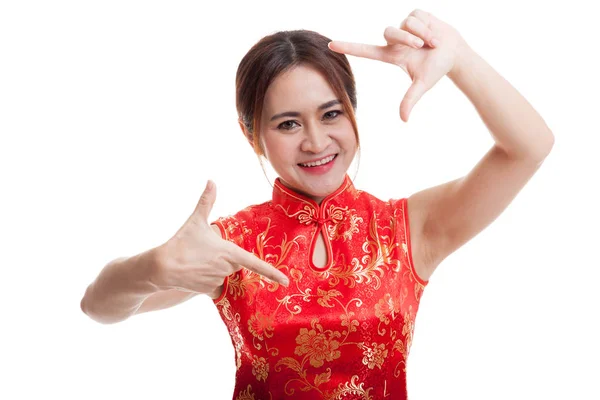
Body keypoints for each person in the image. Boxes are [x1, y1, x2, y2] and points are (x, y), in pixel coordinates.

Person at [80, 9, 554, 400]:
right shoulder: (230, 246)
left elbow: (528, 147)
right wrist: (152, 267)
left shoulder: (409, 229)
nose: (315, 141)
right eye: (287, 124)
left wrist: (460, 58)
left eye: (331, 114)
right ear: (253, 136)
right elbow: (98, 306)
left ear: (352, 111)